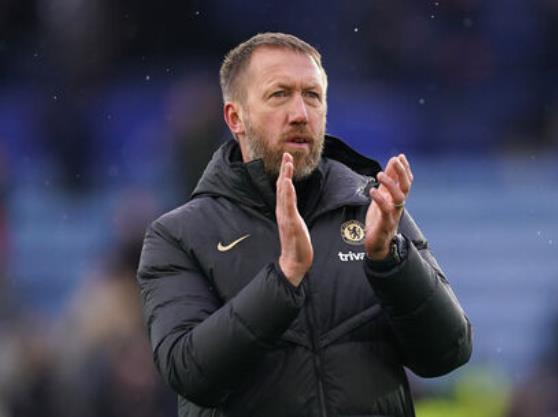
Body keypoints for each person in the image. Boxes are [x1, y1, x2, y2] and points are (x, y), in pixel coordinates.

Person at [137, 32, 472, 417]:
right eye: (279, 94)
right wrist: (284, 277)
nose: (300, 113)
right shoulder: (178, 236)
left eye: (312, 96)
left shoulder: (370, 207)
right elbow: (191, 373)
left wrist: (390, 260)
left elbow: (448, 353)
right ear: (236, 118)